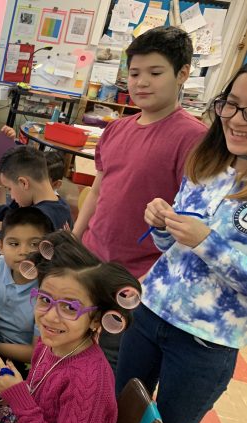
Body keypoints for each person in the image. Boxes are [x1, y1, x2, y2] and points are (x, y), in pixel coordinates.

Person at [116, 64, 247, 423]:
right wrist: (161, 222)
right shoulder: (206, 167)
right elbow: (170, 251)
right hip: (149, 313)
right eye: (232, 105)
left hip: (204, 343)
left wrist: (206, 241)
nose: (237, 121)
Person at [72, 26, 207, 371]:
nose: (141, 82)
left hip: (137, 278)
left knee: (111, 366)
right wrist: (72, 242)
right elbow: (99, 190)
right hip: (89, 260)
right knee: (72, 346)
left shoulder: (193, 139)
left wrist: (151, 280)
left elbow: (194, 219)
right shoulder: (117, 128)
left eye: (155, 72)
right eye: (134, 73)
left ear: (183, 74)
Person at [0, 231, 141, 423]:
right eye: (44, 300)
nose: (51, 317)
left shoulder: (87, 382)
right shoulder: (48, 343)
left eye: (70, 308)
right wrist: (11, 384)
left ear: (96, 320)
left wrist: (17, 394)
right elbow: (41, 396)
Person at [0, 147, 72, 262]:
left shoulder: (38, 218)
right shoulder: (62, 205)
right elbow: (20, 219)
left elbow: (14, 264)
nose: (11, 196)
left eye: (9, 188)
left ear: (23, 183)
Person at [0, 207, 54, 377]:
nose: (23, 251)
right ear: (1, 246)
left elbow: (35, 353)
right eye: (14, 244)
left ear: (47, 250)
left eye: (34, 244)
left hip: (19, 360)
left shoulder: (47, 295)